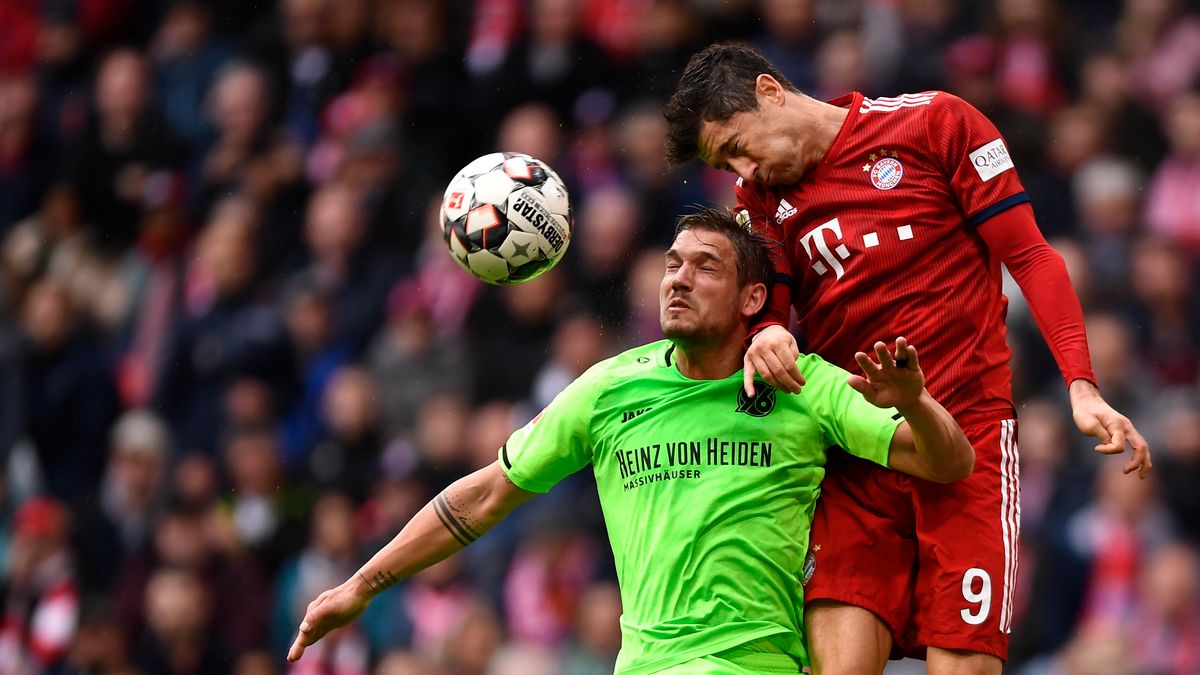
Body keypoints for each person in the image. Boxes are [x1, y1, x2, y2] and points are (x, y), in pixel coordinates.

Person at [287, 209, 975, 673]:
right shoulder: (608, 389)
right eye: (673, 264)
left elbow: (950, 462)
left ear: (752, 300)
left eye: (705, 267)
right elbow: (487, 492)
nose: (677, 278)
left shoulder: (802, 382)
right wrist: (363, 583)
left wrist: (913, 400)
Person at [662, 43, 1153, 675]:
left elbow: (1030, 256)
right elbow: (767, 315)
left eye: (736, 145)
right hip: (858, 449)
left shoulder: (936, 124)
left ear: (770, 91)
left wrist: (1081, 386)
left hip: (967, 440)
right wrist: (764, 334)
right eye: (725, 162)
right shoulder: (761, 202)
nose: (743, 171)